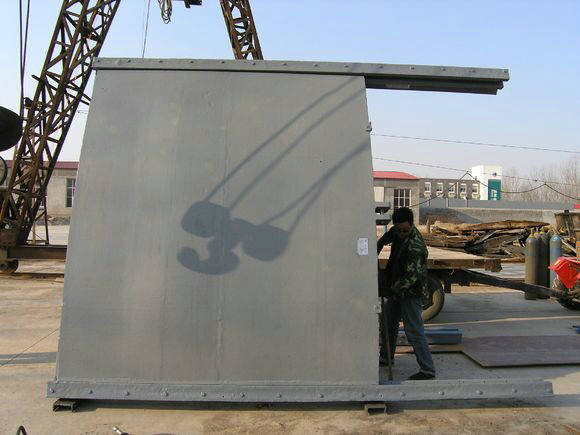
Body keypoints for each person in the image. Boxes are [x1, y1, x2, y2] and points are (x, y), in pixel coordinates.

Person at [377, 207, 435, 380]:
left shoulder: (416, 246)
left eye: (405, 230)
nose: (401, 234)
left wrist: (392, 289)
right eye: (398, 230)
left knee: (414, 331)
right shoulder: (396, 231)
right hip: (396, 288)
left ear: (411, 225)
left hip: (411, 292)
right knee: (388, 323)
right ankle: (386, 357)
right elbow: (385, 239)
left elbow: (412, 277)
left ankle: (427, 369)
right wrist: (376, 247)